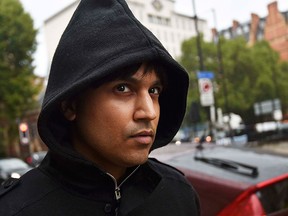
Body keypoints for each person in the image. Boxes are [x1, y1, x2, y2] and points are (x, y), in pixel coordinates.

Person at [0, 0, 200, 215]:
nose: (149, 112)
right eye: (123, 89)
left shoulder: (178, 194)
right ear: (70, 105)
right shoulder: (16, 209)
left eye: (154, 91)